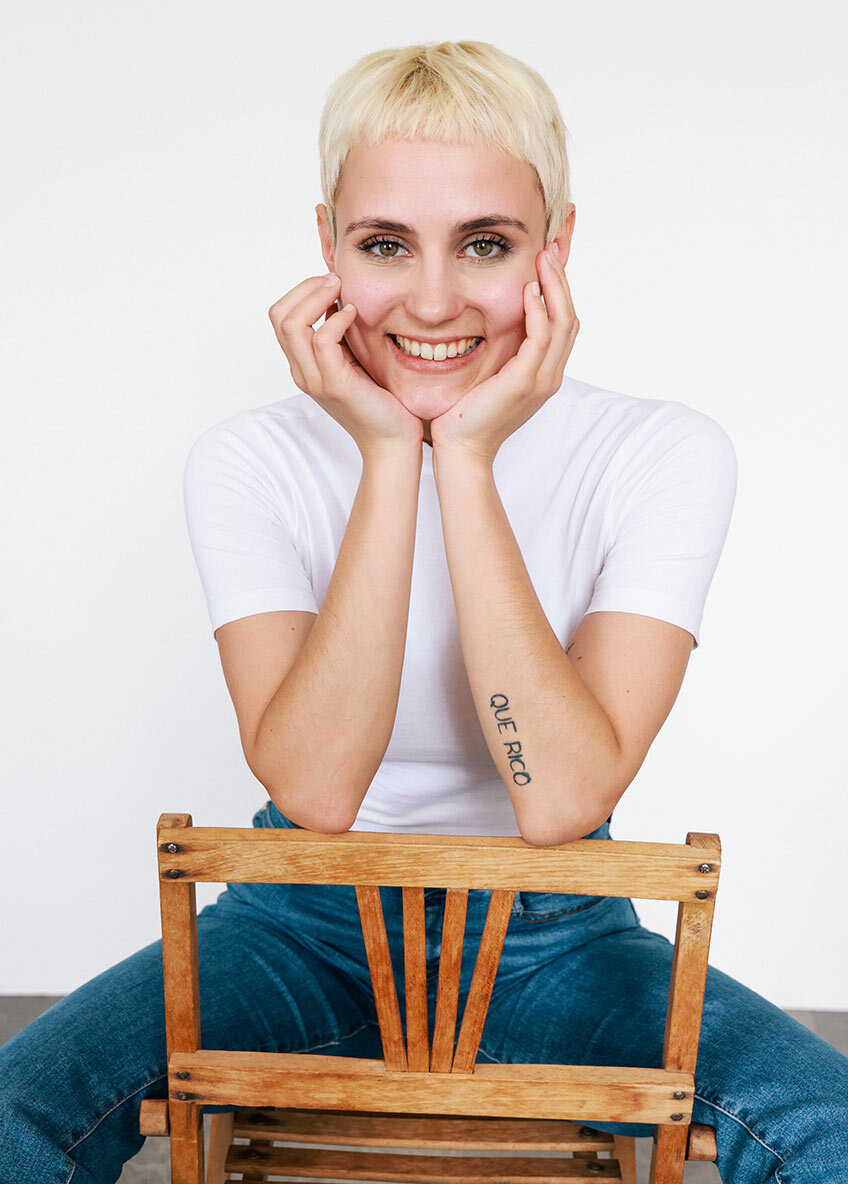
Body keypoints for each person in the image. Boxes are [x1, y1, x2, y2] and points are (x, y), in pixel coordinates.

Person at [1, 39, 846, 1184]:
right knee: (13, 1110)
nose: (434, 299)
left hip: (556, 930)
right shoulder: (247, 460)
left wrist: (469, 460)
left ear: (554, 249)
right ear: (327, 246)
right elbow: (317, 792)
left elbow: (559, 797)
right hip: (295, 923)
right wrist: (390, 453)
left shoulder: (658, 452)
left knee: (829, 1126)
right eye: (384, 243)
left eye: (484, 243)